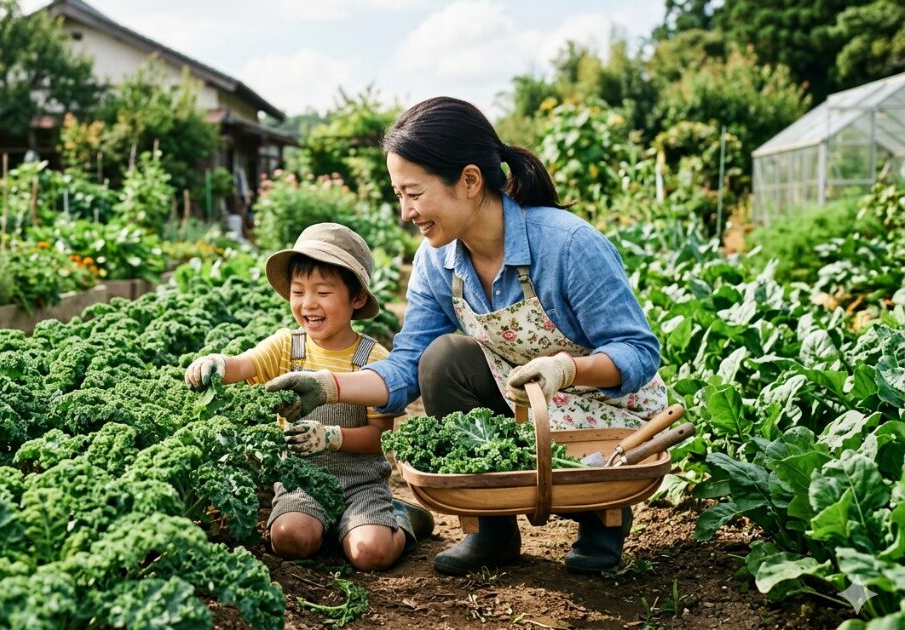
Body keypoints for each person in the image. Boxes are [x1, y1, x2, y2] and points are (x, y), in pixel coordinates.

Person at [264, 97, 668, 575]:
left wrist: (565, 369)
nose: (406, 212)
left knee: (590, 478)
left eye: (414, 193)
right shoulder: (437, 261)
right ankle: (491, 529)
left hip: (605, 409)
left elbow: (638, 351)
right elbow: (407, 366)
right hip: (519, 397)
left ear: (470, 181)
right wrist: (328, 385)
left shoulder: (567, 245)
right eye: (399, 195)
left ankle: (600, 520)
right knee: (443, 360)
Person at [184, 222, 435, 571]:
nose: (308, 304)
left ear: (357, 298)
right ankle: (333, 528)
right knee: (290, 539)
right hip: (300, 480)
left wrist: (332, 437)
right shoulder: (286, 346)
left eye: (323, 292)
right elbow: (245, 365)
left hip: (360, 483)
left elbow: (380, 438)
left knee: (370, 554)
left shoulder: (372, 359)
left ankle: (400, 520)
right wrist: (217, 363)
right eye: (298, 292)